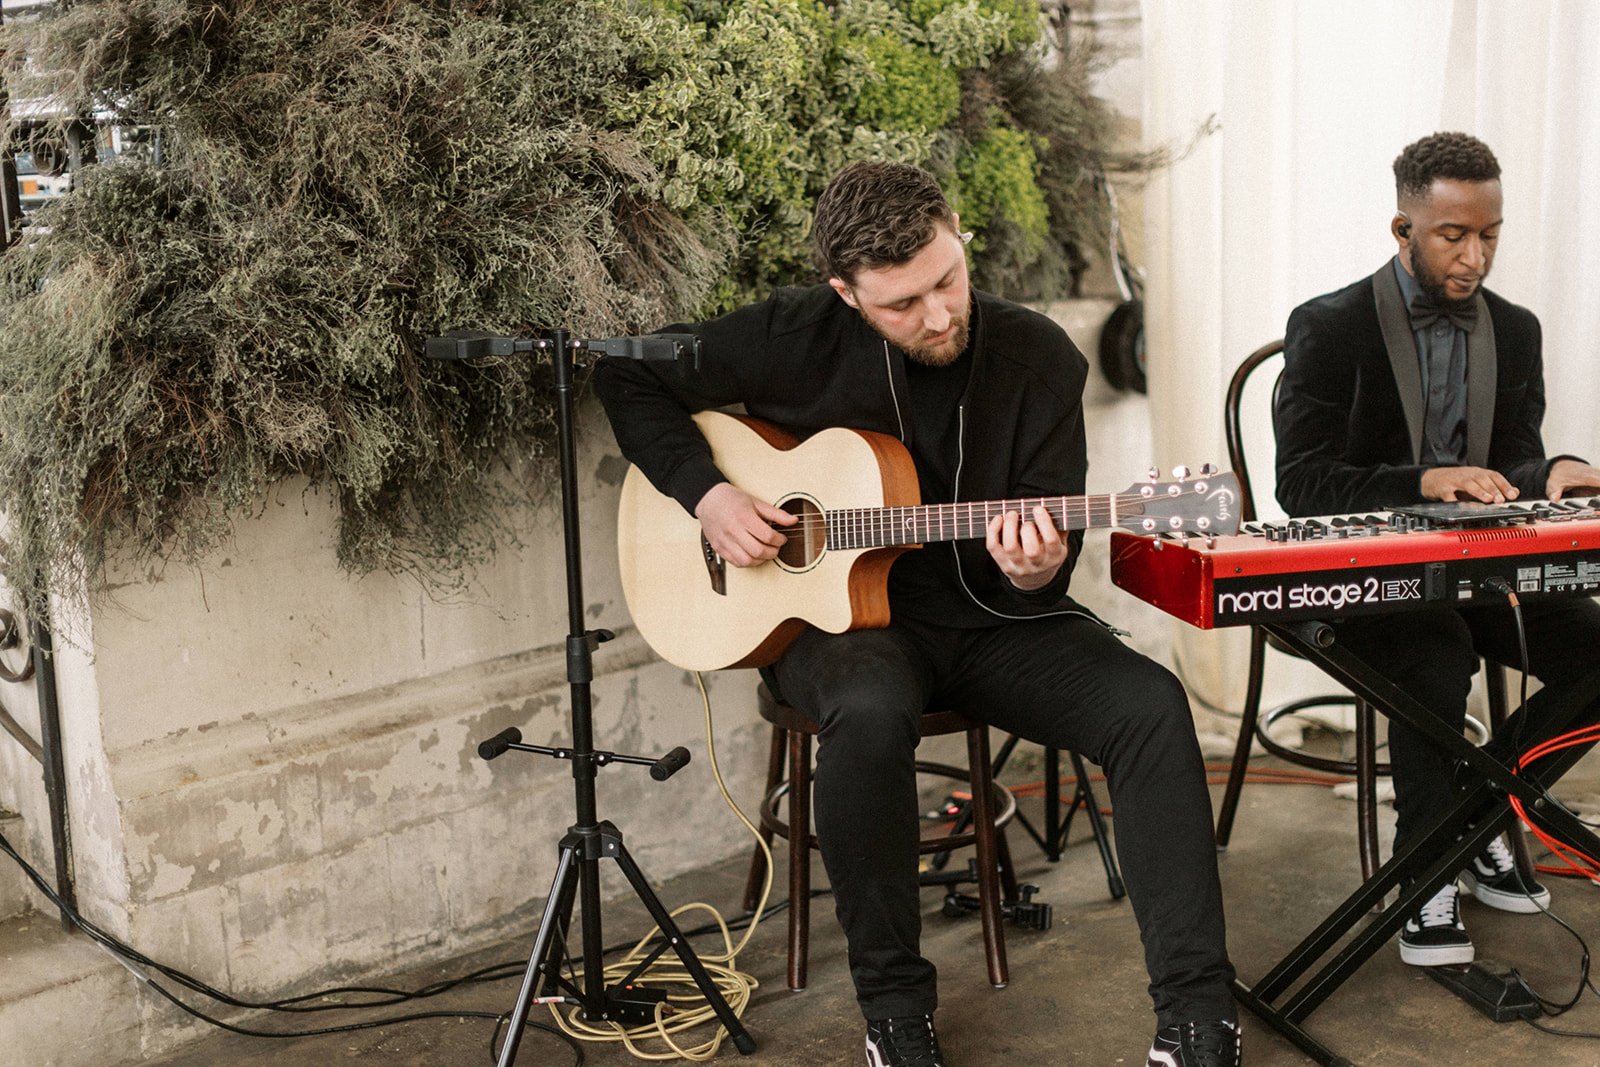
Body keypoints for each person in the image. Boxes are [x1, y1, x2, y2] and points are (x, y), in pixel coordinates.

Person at [595, 161, 1239, 1067]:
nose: (938, 315)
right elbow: (624, 371)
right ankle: (895, 1013)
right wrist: (707, 494)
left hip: (992, 623)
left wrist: (1037, 569)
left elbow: (1045, 564)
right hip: (838, 628)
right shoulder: (790, 336)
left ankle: (1199, 1015)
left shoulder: (1040, 360)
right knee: (867, 712)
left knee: (1151, 707)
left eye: (948, 279)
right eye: (902, 303)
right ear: (846, 293)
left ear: (958, 233)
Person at [1275, 131, 1600, 966]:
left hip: (1478, 574)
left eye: (1490, 234)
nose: (1475, 256)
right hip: (1363, 581)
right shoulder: (1329, 326)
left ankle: (1475, 816)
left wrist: (1551, 472)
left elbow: (1512, 467)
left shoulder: (1516, 331)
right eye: (1453, 235)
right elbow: (1302, 485)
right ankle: (1425, 870)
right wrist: (1423, 480)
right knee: (1436, 650)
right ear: (1402, 229)